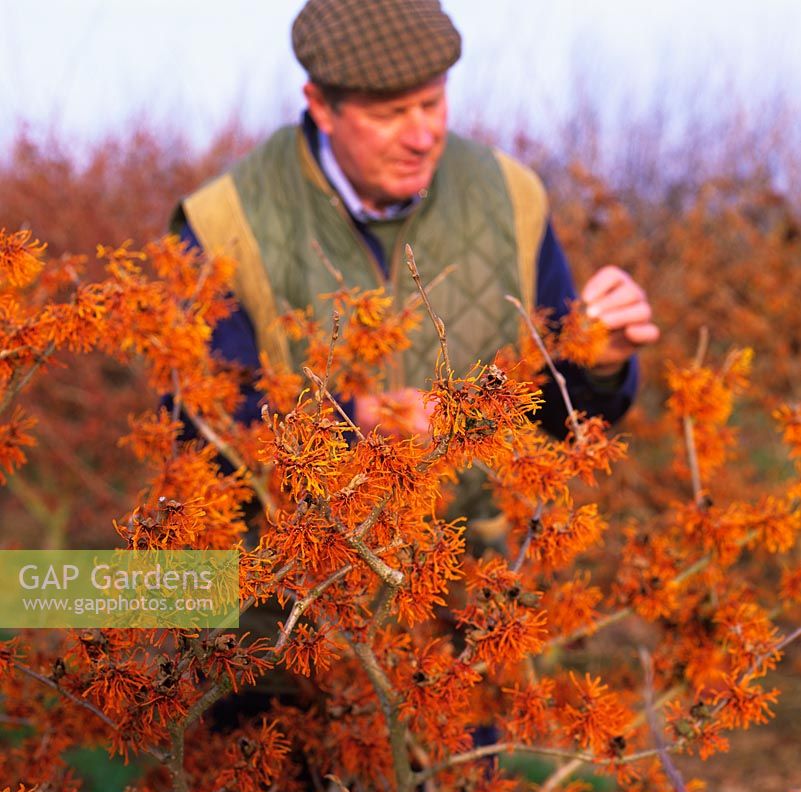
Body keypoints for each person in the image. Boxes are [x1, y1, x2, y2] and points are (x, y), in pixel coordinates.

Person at [171, 0, 658, 453]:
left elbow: (564, 416)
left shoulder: (512, 195)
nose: (422, 137)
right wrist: (350, 422)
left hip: (485, 545)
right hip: (301, 544)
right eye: (390, 114)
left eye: (432, 103)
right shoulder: (223, 222)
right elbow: (200, 429)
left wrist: (601, 366)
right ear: (321, 107)